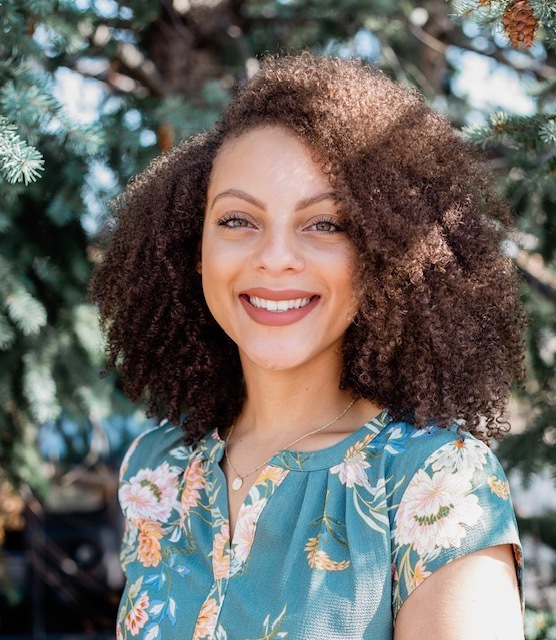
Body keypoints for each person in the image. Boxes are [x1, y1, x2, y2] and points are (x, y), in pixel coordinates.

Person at [89, 54, 525, 639]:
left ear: (381, 256)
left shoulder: (437, 482)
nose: (274, 256)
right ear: (194, 251)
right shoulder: (159, 468)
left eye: (324, 224)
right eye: (238, 220)